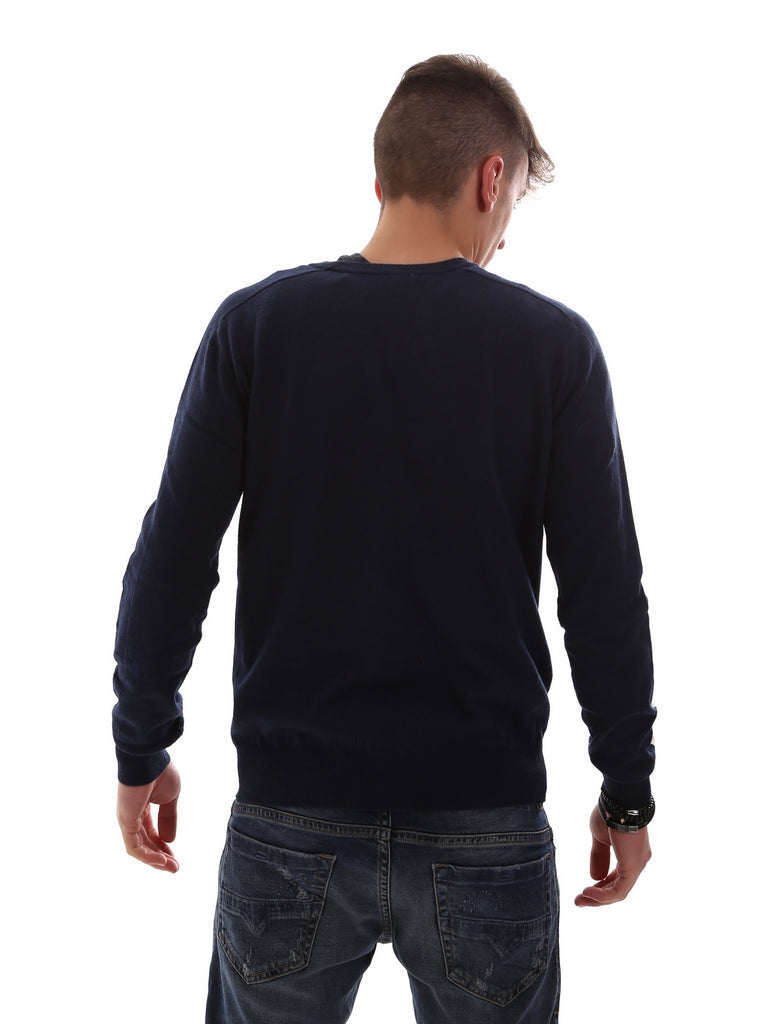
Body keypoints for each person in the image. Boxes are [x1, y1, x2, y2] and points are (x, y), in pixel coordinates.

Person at [113, 54, 656, 1023]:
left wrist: (141, 743)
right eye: (512, 206)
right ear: (490, 177)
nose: (504, 236)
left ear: (382, 179)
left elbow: (174, 557)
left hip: (289, 821)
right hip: (486, 824)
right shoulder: (554, 349)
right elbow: (603, 594)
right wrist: (626, 793)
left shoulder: (256, 328)